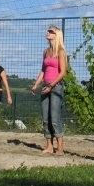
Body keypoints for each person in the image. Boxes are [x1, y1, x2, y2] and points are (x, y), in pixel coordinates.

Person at [30, 25, 67, 155]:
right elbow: (43, 70)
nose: (48, 32)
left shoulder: (61, 51)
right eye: (48, 31)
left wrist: (52, 85)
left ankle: (60, 148)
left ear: (57, 35)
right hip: (45, 86)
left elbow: (63, 72)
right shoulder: (46, 51)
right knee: (45, 117)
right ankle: (49, 146)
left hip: (56, 87)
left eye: (51, 31)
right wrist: (36, 84)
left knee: (55, 117)